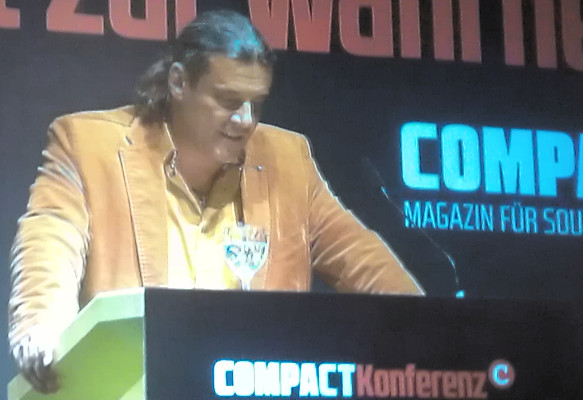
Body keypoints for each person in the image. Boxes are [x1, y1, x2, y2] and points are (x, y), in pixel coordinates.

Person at [8, 10, 424, 393]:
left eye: (256, 104)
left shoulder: (288, 159)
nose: (245, 119)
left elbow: (360, 258)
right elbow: (51, 238)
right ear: (178, 83)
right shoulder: (86, 145)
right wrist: (41, 326)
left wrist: (433, 333)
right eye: (228, 101)